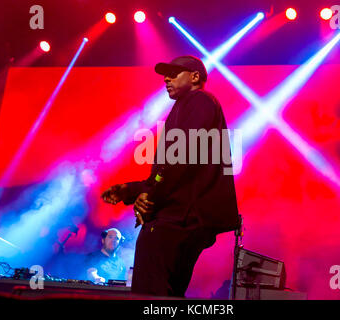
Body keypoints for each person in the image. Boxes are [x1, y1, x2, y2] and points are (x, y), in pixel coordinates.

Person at [101, 55, 239, 297]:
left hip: (180, 217)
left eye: (174, 73)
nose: (166, 78)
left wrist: (149, 194)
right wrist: (132, 190)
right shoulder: (187, 105)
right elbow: (172, 170)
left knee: (151, 292)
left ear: (195, 77)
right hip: (183, 216)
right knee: (166, 293)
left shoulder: (200, 101)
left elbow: (181, 160)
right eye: (166, 74)